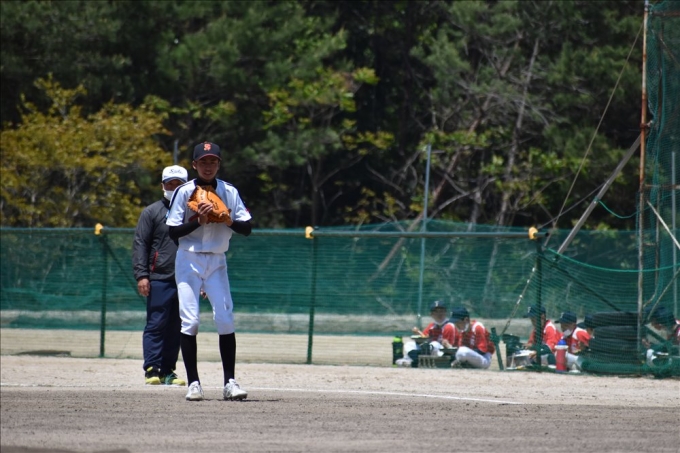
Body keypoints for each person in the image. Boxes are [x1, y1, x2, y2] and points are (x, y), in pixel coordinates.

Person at [166, 141, 252, 401]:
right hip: (188, 259)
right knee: (190, 321)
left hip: (217, 260)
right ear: (194, 165)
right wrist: (199, 221)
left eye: (213, 161)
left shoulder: (229, 191)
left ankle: (230, 383)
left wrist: (228, 220)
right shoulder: (183, 191)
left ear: (219, 164)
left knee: (225, 318)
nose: (208, 166)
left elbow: (247, 228)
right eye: (203, 162)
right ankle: (194, 383)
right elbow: (172, 232)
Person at [132, 165, 189, 386]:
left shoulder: (193, 212)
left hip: (186, 278)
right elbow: (140, 244)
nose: (174, 188)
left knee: (177, 326)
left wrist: (202, 278)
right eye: (170, 184)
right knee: (156, 324)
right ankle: (151, 369)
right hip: (159, 277)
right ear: (162, 186)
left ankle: (167, 371)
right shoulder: (152, 212)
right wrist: (142, 275)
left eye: (179, 184)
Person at [398, 300, 458, 367]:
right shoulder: (431, 326)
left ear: (445, 312)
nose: (439, 314)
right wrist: (418, 334)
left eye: (441, 311)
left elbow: (449, 348)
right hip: (429, 352)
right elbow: (424, 338)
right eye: (436, 311)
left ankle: (414, 361)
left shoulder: (449, 326)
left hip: (444, 353)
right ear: (431, 314)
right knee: (409, 344)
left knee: (434, 344)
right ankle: (417, 360)